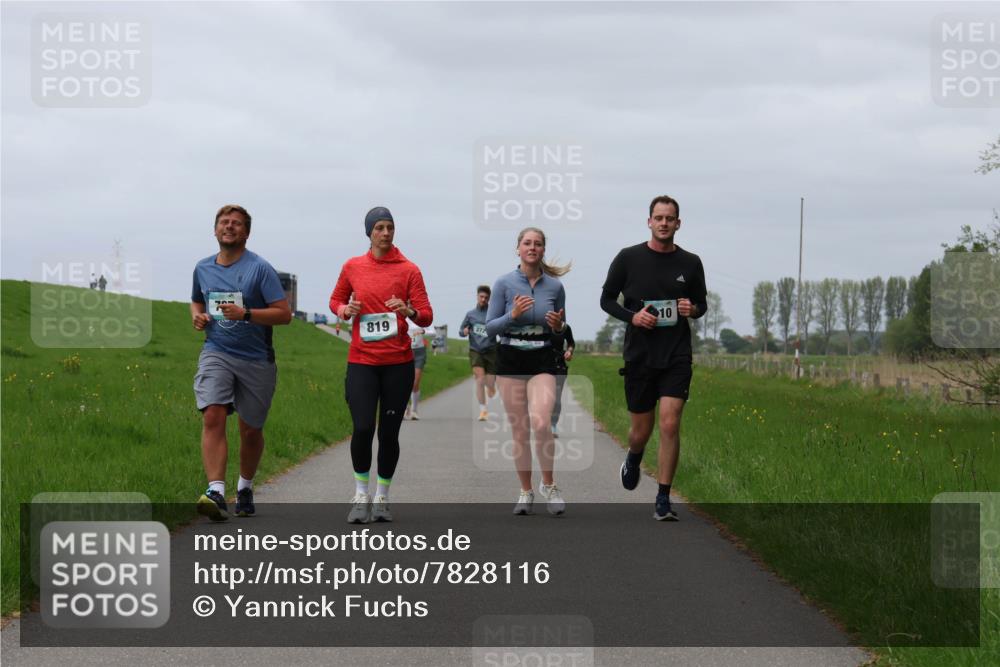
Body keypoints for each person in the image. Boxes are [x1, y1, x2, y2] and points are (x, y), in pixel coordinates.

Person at [600, 195, 707, 521]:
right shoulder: (628, 258)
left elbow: (701, 304)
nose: (664, 223)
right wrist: (632, 317)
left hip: (676, 353)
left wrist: (693, 309)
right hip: (640, 354)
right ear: (649, 222)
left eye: (669, 218)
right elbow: (606, 299)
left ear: (678, 223)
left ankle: (663, 497)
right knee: (640, 431)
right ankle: (634, 456)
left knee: (671, 423)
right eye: (658, 218)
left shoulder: (691, 263)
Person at [330, 206, 433, 524]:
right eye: (379, 228)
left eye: (390, 227)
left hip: (397, 364)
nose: (386, 232)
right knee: (362, 428)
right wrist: (346, 310)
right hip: (361, 361)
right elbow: (335, 301)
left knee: (389, 434)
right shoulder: (352, 266)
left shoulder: (409, 269)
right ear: (369, 232)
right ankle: (361, 494)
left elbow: (427, 314)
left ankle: (382, 498)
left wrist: (408, 310)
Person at [190, 204, 292, 521]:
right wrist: (198, 316)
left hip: (256, 359)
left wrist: (247, 313)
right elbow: (197, 298)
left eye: (236, 223)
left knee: (250, 430)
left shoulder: (260, 269)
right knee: (213, 413)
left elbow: (284, 314)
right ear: (215, 229)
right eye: (224, 222)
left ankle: (245, 487)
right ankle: (216, 492)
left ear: (246, 233)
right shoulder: (202, 268)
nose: (229, 226)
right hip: (216, 350)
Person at [485, 227, 569, 516]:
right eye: (527, 243)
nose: (532, 248)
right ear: (518, 248)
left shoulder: (555, 288)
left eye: (538, 244)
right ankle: (525, 491)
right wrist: (513, 315)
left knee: (542, 422)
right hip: (510, 360)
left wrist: (557, 326)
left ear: (544, 250)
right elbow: (490, 327)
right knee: (520, 431)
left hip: (542, 358)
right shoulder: (504, 284)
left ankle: (550, 484)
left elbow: (561, 330)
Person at [459, 285, 498, 421]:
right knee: (480, 379)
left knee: (490, 383)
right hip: (476, 350)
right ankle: (483, 410)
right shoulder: (470, 315)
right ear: (477, 297)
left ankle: (491, 387)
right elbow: (461, 330)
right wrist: (463, 332)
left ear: (489, 299)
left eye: (486, 298)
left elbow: (500, 328)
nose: (483, 299)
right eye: (481, 297)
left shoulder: (493, 314)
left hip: (491, 351)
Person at [550, 323, 575, 436]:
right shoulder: (539, 324)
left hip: (559, 365)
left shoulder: (565, 327)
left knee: (556, 396)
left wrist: (569, 351)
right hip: (540, 364)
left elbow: (571, 343)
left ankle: (553, 425)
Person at [404, 325, 427, 420]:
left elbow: (432, 331)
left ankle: (414, 410)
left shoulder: (419, 316)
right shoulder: (400, 314)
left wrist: (422, 331)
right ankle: (405, 408)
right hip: (404, 350)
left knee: (415, 383)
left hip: (419, 352)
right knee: (402, 384)